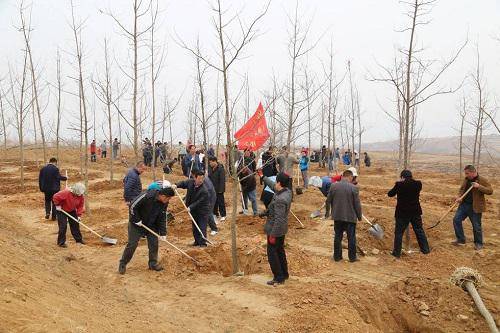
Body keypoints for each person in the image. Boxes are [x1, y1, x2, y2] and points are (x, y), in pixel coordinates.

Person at [118, 186, 175, 274]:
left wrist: (163, 233)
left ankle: (153, 263)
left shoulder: (164, 203)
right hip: (137, 224)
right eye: (168, 198)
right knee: (132, 244)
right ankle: (123, 263)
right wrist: (136, 219)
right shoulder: (147, 196)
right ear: (163, 196)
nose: (168, 201)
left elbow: (162, 217)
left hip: (152, 225)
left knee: (154, 244)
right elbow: (132, 206)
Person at [388, 170, 430, 258]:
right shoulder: (418, 184)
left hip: (402, 213)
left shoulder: (399, 185)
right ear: (411, 176)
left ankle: (396, 253)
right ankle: (425, 249)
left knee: (399, 233)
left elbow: (390, 194)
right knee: (419, 230)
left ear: (402, 177)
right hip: (415, 211)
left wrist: (398, 183)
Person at [260, 172, 292, 286]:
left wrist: (273, 234)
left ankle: (278, 277)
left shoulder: (280, 199)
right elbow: (273, 185)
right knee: (280, 251)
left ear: (279, 183)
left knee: (272, 254)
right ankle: (284, 273)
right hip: (282, 229)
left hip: (275, 229)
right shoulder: (287, 191)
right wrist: (263, 177)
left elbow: (279, 219)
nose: (275, 184)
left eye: (276, 182)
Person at [452, 165, 493, 250]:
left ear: (473, 172)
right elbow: (462, 189)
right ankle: (461, 240)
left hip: (475, 207)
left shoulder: (482, 180)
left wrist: (479, 186)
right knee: (456, 220)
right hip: (464, 205)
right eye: (465, 173)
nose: (466, 175)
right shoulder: (466, 179)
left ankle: (478, 243)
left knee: (476, 226)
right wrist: (459, 197)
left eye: (467, 173)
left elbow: (490, 191)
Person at [327, 169, 362, 263]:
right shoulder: (354, 188)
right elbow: (357, 204)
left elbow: (328, 200)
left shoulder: (333, 186)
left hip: (337, 216)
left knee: (338, 236)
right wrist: (359, 216)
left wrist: (327, 213)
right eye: (352, 178)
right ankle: (352, 257)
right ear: (350, 177)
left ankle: (337, 257)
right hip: (350, 218)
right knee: (351, 238)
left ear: (342, 176)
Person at [176, 170, 210, 247]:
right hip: (193, 210)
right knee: (195, 227)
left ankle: (202, 243)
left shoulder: (204, 190)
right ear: (195, 177)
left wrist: (190, 207)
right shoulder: (190, 182)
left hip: (202, 210)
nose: (201, 180)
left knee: (202, 226)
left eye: (202, 178)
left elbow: (199, 202)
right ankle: (197, 242)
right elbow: (183, 183)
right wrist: (176, 185)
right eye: (199, 178)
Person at [52, 183, 86, 247]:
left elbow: (80, 206)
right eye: (78, 193)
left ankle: (79, 239)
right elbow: (55, 197)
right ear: (75, 191)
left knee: (75, 224)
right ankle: (61, 242)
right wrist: (57, 205)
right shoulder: (66, 193)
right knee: (63, 226)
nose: (80, 195)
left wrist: (78, 215)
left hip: (72, 210)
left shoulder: (81, 196)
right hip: (61, 210)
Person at [208, 156, 226, 222]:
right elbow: (209, 176)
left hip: (219, 189)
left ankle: (223, 215)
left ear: (215, 161)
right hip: (212, 189)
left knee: (221, 202)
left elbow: (222, 180)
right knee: (214, 202)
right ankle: (215, 214)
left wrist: (221, 190)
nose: (210, 164)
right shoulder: (210, 168)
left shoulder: (220, 168)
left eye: (210, 162)